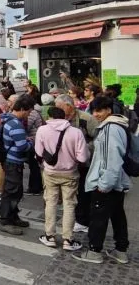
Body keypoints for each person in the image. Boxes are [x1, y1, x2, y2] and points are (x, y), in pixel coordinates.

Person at [73, 96, 131, 264]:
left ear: (109, 111)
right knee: (117, 215)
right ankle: (120, 250)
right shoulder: (118, 125)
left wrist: (104, 184)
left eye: (100, 110)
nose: (96, 114)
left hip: (106, 181)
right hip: (116, 180)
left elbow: (111, 159)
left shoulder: (110, 129)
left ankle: (94, 251)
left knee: (98, 216)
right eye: (94, 111)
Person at [36, 107, 89, 251]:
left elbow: (39, 152)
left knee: (51, 202)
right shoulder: (76, 132)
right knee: (69, 205)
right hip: (70, 173)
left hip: (50, 172)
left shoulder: (42, 130)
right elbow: (83, 157)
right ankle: (67, 240)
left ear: (50, 116)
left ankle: (50, 236)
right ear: (64, 116)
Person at [54, 95, 99, 233]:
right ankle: (76, 218)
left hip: (84, 163)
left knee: (84, 193)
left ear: (69, 106)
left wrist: (83, 148)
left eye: (59, 106)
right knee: (72, 193)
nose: (57, 109)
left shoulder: (87, 119)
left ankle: (83, 221)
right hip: (67, 164)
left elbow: (98, 139)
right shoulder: (60, 119)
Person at [0, 95, 35, 235]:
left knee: (16, 190)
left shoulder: (10, 120)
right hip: (13, 161)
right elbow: (22, 147)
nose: (29, 115)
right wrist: (32, 143)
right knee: (11, 191)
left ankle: (13, 216)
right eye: (28, 112)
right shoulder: (15, 124)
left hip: (12, 160)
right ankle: (5, 220)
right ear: (21, 109)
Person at [25, 101, 45, 196]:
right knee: (34, 165)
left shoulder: (32, 113)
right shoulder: (35, 112)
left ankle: (35, 188)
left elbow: (26, 127)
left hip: (34, 141)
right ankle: (35, 187)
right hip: (35, 140)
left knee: (34, 165)